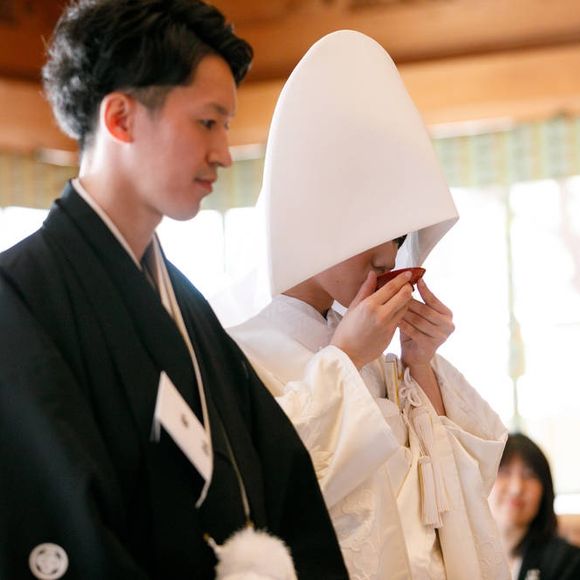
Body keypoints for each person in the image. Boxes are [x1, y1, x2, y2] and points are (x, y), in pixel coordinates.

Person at [0, 2, 349, 579]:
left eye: (227, 127)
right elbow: (54, 518)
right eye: (208, 122)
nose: (224, 154)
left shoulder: (187, 307)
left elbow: (277, 482)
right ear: (121, 119)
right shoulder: (19, 299)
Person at [227, 30, 510, 580]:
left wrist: (419, 363)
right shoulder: (239, 347)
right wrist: (345, 360)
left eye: (400, 235)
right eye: (373, 231)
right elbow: (263, 493)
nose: (389, 255)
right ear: (316, 217)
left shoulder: (375, 344)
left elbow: (450, 494)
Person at [490, 433, 580, 580]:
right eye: (505, 472)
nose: (516, 488)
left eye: (529, 475)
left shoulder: (568, 562)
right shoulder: (458, 556)